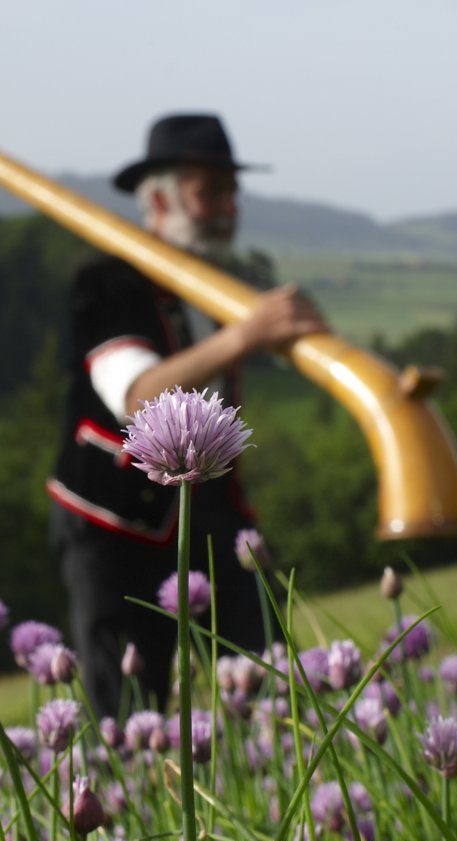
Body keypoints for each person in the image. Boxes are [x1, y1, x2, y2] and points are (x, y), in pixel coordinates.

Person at [46, 113, 329, 718]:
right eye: (210, 192)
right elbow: (140, 396)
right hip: (115, 526)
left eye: (232, 193)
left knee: (270, 679)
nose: (227, 209)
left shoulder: (220, 283)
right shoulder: (107, 282)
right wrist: (247, 334)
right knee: (130, 706)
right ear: (158, 201)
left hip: (213, 513)